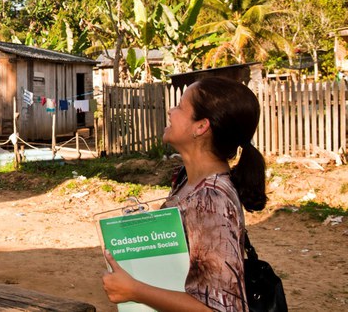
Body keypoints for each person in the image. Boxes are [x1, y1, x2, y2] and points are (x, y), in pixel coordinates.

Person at [102, 77, 268, 311]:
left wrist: (135, 290)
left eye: (180, 106)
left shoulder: (212, 200)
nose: (171, 111)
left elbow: (221, 309)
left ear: (201, 126)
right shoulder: (188, 181)